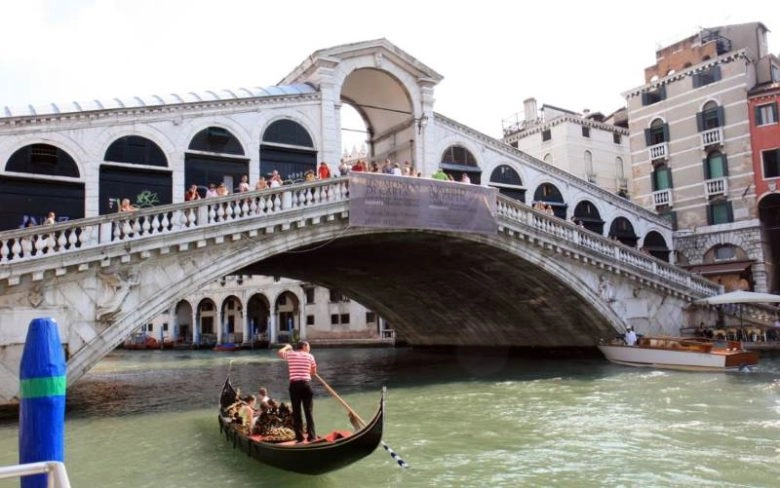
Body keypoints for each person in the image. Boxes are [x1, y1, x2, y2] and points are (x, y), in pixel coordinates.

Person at [277, 341, 317, 442]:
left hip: (294, 386)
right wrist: (306, 371)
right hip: (306, 385)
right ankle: (312, 437)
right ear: (303, 346)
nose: (309, 348)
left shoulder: (290, 354)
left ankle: (299, 438)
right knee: (309, 411)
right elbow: (313, 372)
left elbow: (279, 352)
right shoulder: (310, 356)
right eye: (308, 346)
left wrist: (287, 346)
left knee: (297, 412)